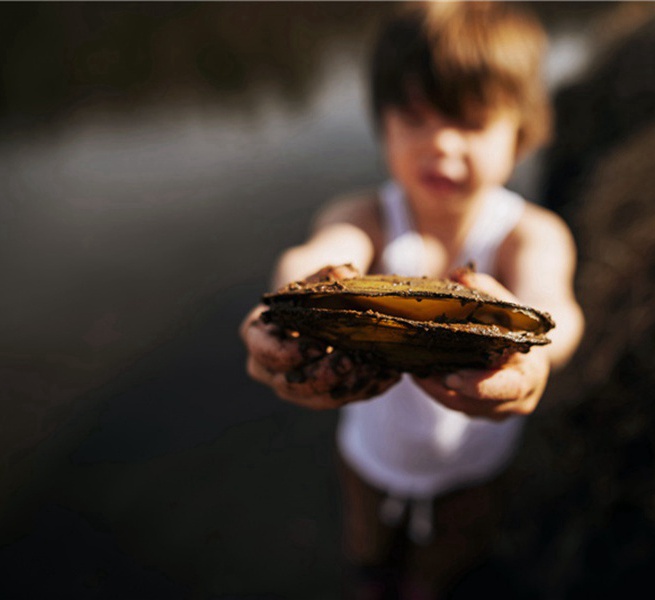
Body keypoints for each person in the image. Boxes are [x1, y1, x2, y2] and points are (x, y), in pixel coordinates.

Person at [240, 2, 584, 598]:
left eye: (472, 122)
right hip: (371, 457)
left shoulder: (531, 235)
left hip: (475, 465)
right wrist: (283, 306)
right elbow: (313, 255)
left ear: (521, 132)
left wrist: (534, 362)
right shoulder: (365, 218)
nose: (441, 144)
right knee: (367, 550)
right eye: (415, 116)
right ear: (383, 125)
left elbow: (556, 308)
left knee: (449, 560)